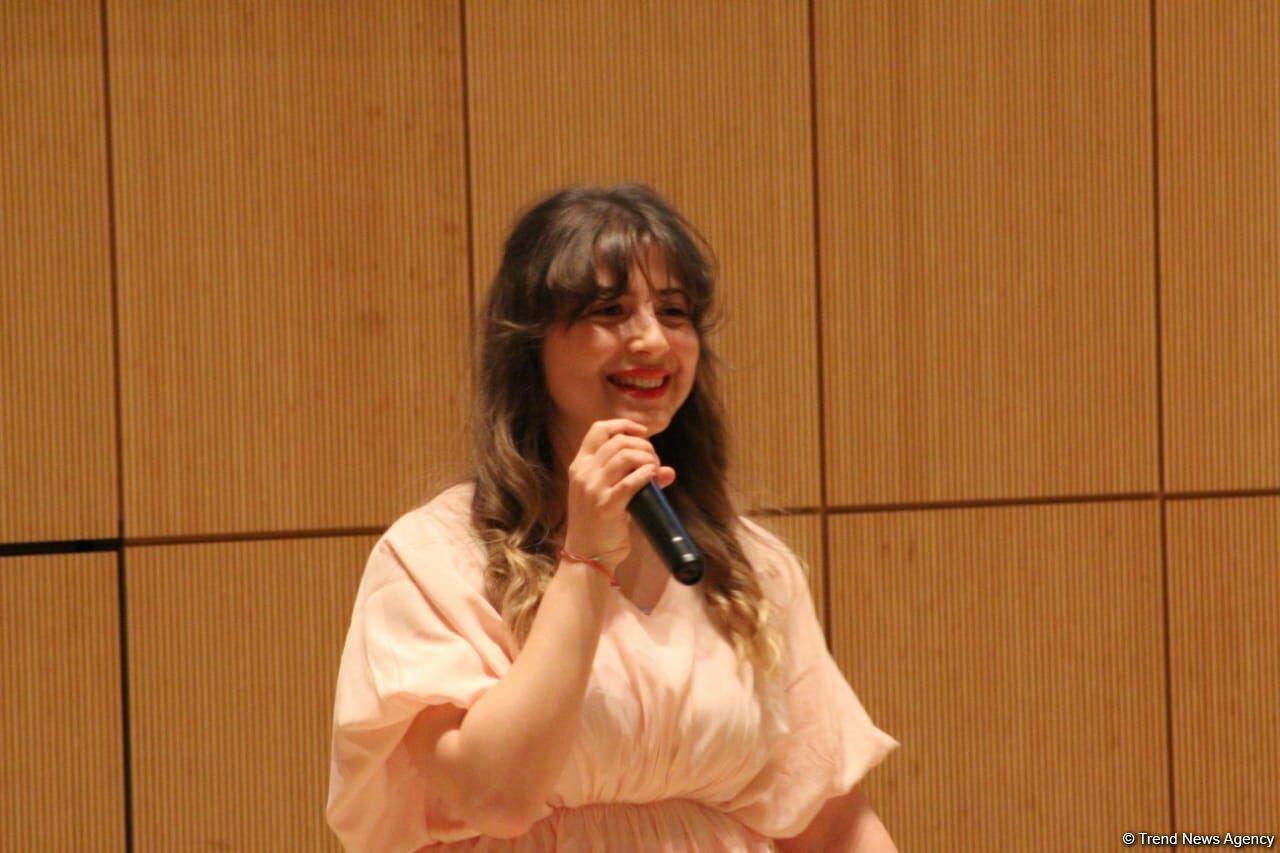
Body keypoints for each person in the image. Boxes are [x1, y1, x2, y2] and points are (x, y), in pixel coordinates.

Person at [325, 184, 901, 850]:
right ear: (530, 343)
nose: (652, 339)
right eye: (610, 310)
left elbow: (829, 820)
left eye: (674, 311)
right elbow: (496, 797)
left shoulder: (749, 566)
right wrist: (585, 559)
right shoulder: (434, 557)